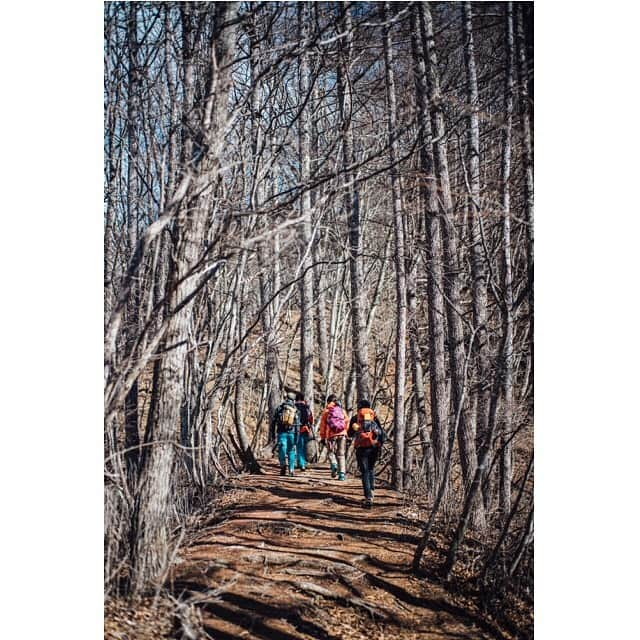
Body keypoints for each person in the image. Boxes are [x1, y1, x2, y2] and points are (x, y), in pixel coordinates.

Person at [348, 399, 386, 507]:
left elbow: (349, 433)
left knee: (364, 471)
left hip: (361, 448)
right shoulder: (374, 417)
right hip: (374, 447)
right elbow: (382, 433)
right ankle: (372, 491)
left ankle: (368, 496)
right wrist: (380, 444)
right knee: (370, 469)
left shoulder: (356, 418)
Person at [319, 394, 349, 480]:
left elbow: (322, 426)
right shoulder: (342, 410)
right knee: (341, 454)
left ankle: (334, 464)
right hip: (342, 434)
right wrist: (345, 432)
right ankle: (342, 474)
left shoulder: (327, 411)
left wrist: (322, 437)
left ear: (328, 402)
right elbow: (347, 422)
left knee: (331, 452)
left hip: (331, 435)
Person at [270, 392, 300, 477]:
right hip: (292, 433)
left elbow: (273, 422)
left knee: (281, 450)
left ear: (286, 398)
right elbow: (297, 424)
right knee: (291, 451)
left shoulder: (280, 408)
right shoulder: (295, 409)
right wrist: (297, 437)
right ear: (293, 400)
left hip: (281, 432)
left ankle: (283, 465)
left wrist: (272, 434)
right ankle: (291, 469)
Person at [295, 392, 314, 471]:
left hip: (294, 429)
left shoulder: (294, 407)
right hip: (305, 429)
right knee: (302, 447)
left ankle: (299, 463)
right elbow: (311, 419)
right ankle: (302, 463)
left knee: (297, 447)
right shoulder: (307, 408)